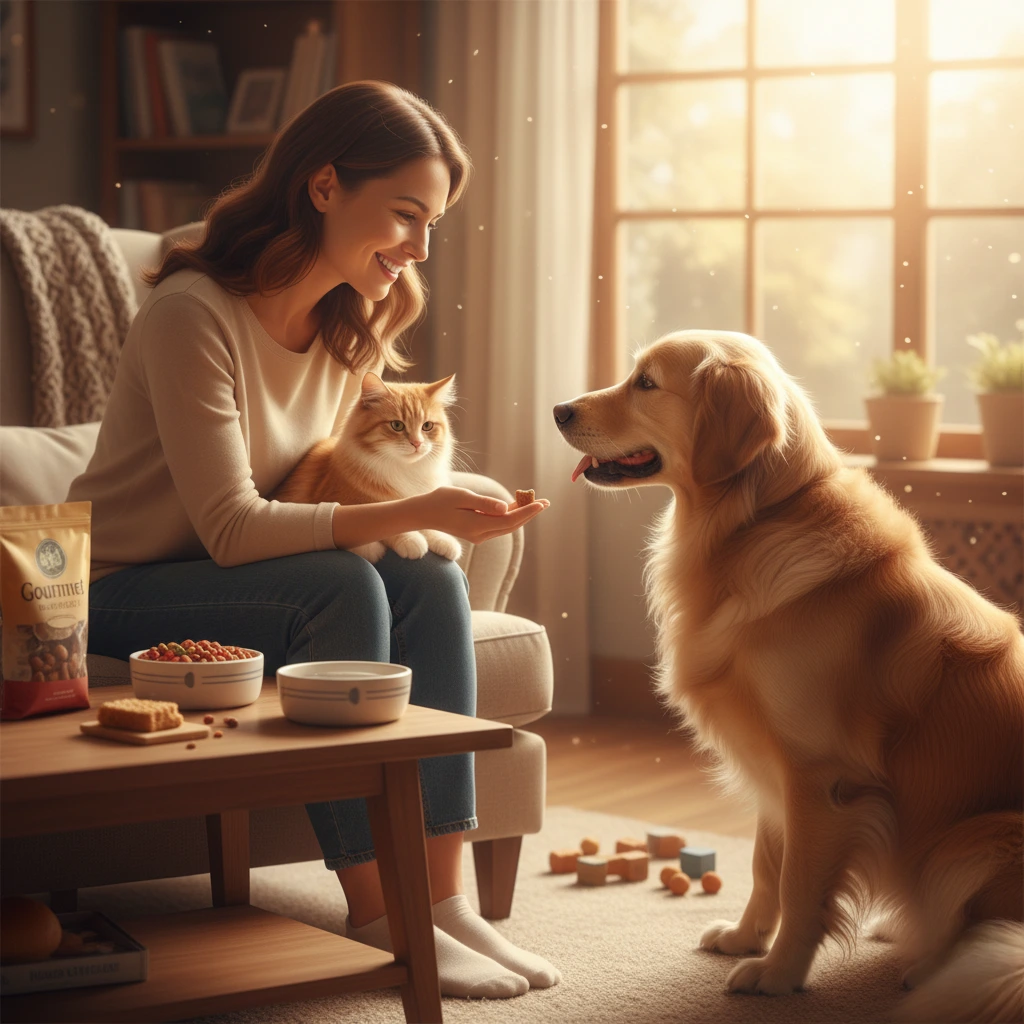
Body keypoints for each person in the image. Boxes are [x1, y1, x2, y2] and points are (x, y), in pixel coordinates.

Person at [68, 80, 558, 999]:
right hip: (125, 587)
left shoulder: (348, 327)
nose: (419, 247)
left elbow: (346, 487)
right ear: (325, 186)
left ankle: (442, 903)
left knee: (429, 585)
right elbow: (229, 527)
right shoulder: (193, 314)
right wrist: (415, 514)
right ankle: (381, 916)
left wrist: (436, 503)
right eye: (405, 215)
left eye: (434, 223)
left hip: (241, 583)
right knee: (344, 584)